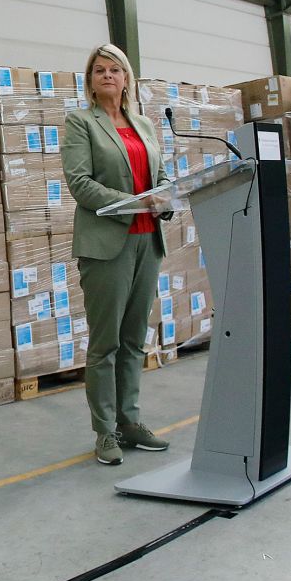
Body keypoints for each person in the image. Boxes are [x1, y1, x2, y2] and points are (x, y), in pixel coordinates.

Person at [61, 43, 173, 467]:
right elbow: (81, 183)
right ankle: (105, 432)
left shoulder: (143, 124)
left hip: (148, 242)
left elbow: (159, 175)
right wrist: (136, 203)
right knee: (105, 343)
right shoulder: (80, 123)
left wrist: (165, 196)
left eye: (115, 70)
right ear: (90, 81)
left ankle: (131, 421)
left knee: (133, 340)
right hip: (107, 245)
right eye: (99, 70)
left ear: (127, 78)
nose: (107, 76)